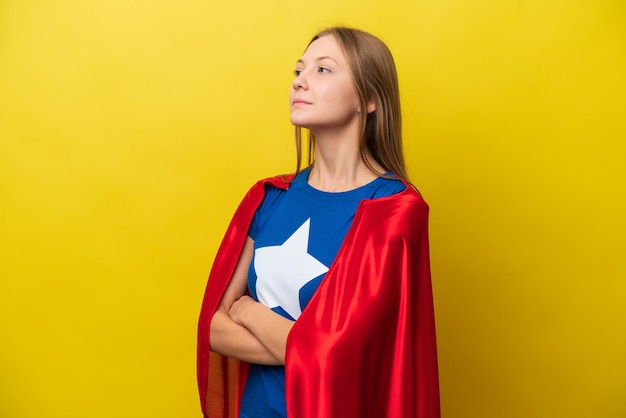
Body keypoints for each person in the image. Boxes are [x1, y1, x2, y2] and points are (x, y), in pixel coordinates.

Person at [197, 27, 440, 418]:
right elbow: (211, 328)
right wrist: (308, 349)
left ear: (370, 99)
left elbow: (344, 357)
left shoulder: (393, 210)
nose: (300, 82)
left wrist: (251, 312)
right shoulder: (269, 197)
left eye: (323, 70)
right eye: (298, 71)